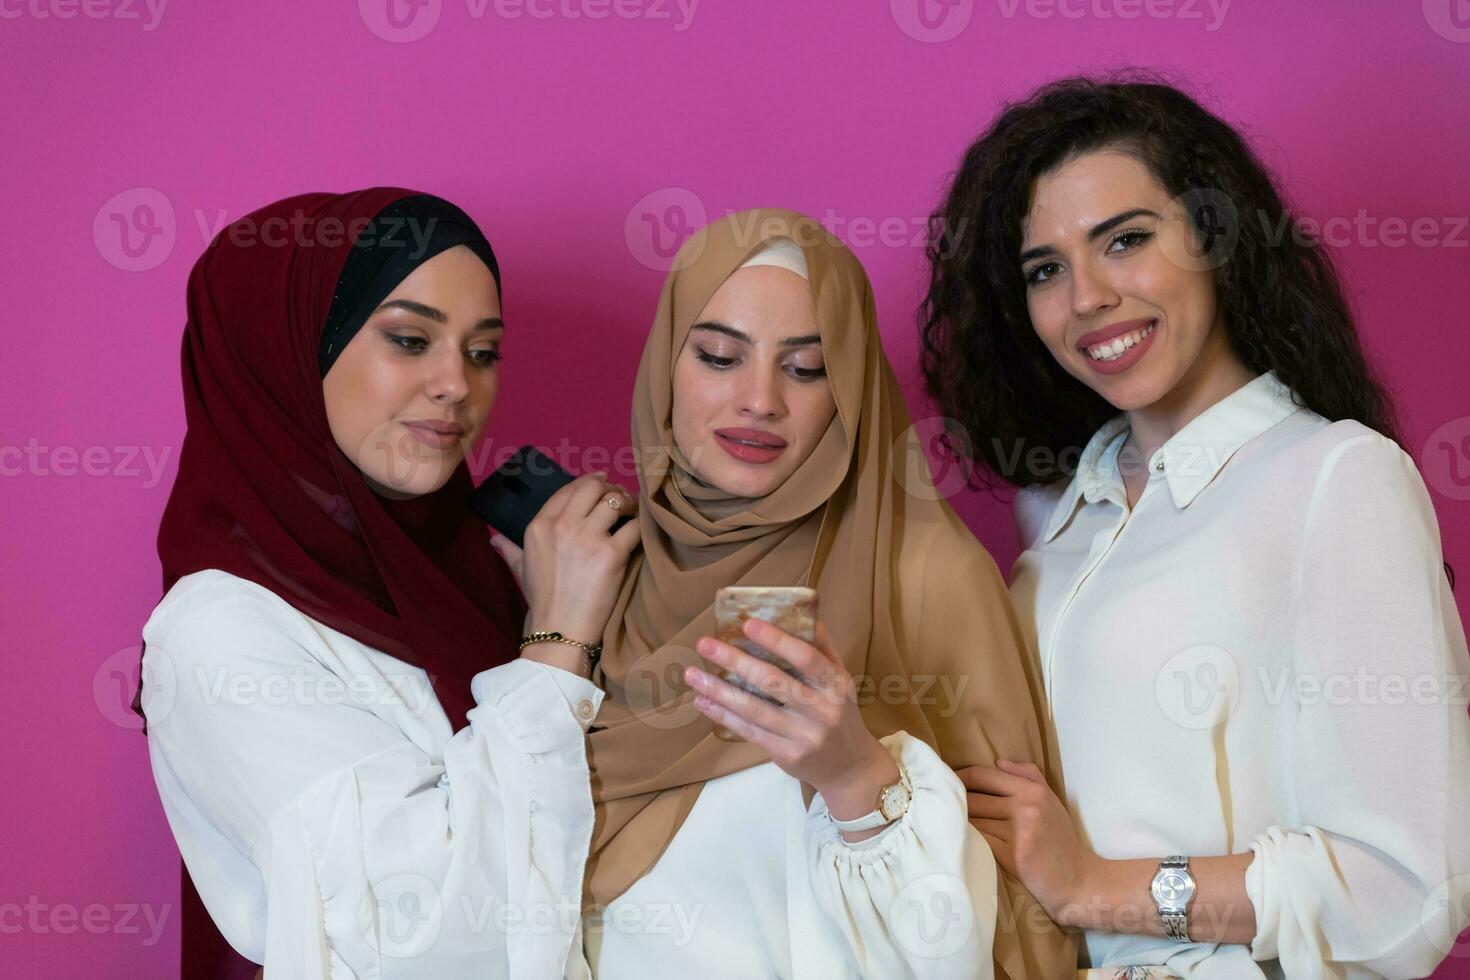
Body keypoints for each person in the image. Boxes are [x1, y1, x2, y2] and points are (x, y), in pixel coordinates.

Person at [919, 74, 1470, 978]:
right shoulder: (1060, 522)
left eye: (1125, 241)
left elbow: (1404, 888)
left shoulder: (1336, 478)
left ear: (1216, 240)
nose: (1087, 297)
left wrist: (1095, 886)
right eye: (1045, 270)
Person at [134, 188, 638, 978]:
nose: (455, 385)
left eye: (482, 352)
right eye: (409, 339)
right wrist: (557, 646)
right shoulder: (213, 631)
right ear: (291, 351)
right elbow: (425, 929)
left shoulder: (482, 572)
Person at [575, 209, 1077, 978]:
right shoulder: (604, 568)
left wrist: (859, 778)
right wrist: (551, 636)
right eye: (717, 356)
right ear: (664, 370)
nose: (759, 400)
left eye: (807, 368)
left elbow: (1022, 913)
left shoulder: (927, 575)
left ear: (851, 390)